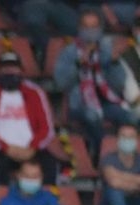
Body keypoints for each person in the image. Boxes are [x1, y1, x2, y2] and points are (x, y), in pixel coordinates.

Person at [54, 9, 134, 159]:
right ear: (80, 28)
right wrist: (78, 64)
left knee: (130, 117)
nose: (90, 31)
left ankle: (128, 157)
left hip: (107, 101)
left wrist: (113, 62)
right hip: (80, 104)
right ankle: (101, 156)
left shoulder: (107, 49)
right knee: (92, 116)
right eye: (86, 27)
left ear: (100, 28)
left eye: (94, 27)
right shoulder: (69, 52)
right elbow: (61, 83)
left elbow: (119, 84)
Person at [0, 51, 59, 185]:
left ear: (21, 70)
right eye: (5, 68)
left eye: (14, 68)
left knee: (50, 164)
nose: (10, 71)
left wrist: (32, 148)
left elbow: (46, 129)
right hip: (0, 150)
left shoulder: (35, 92)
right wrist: (6, 148)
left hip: (31, 149)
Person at [100, 122, 140, 205]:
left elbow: (118, 181)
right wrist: (136, 182)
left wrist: (121, 176)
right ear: (117, 139)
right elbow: (114, 182)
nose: (127, 140)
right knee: (114, 191)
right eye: (124, 136)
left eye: (131, 137)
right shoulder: (108, 159)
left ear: (136, 140)